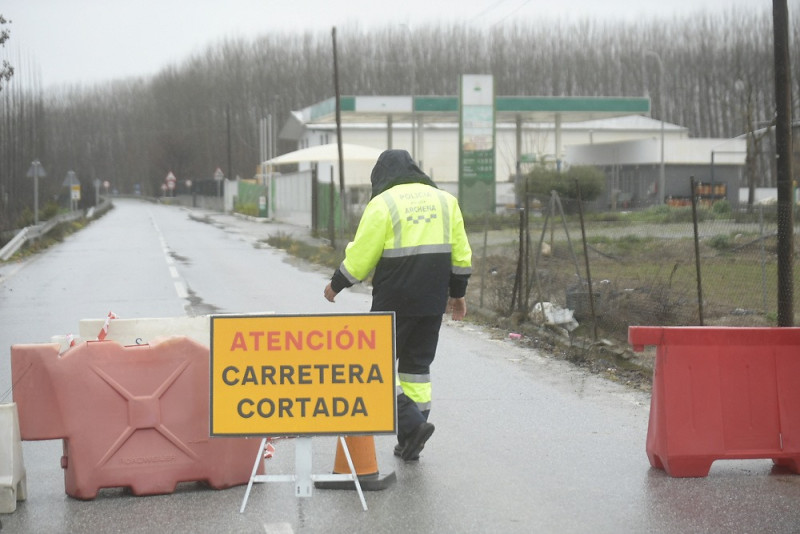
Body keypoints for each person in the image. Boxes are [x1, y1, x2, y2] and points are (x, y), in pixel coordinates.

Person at [324, 149, 472, 461]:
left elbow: (362, 256)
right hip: (432, 301)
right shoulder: (446, 201)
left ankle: (410, 423)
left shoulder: (383, 204)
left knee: (374, 366)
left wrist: (336, 284)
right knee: (417, 369)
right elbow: (461, 255)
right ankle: (412, 437)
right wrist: (457, 293)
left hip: (394, 300)